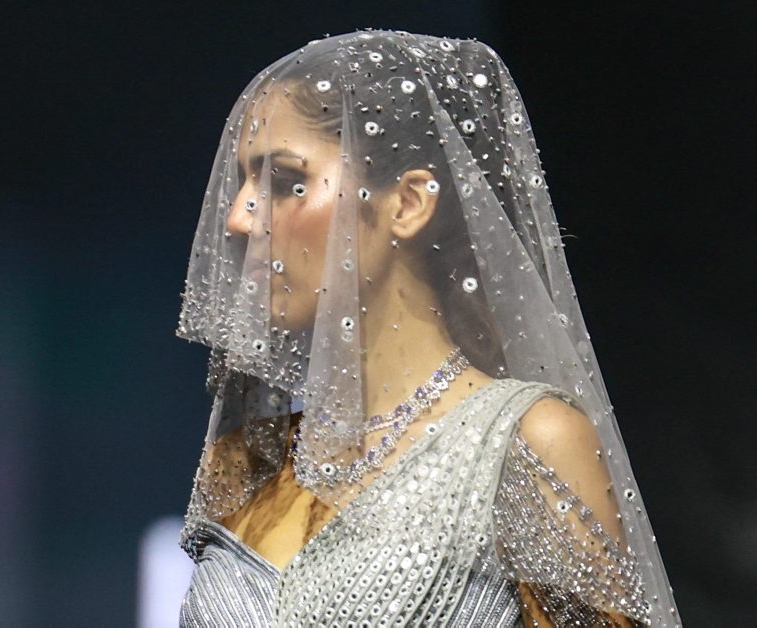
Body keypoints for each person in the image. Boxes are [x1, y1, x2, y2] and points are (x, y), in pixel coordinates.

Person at [174, 29, 681, 627]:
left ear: (409, 202)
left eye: (286, 182)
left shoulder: (523, 444)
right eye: (243, 184)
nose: (238, 218)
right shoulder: (244, 463)